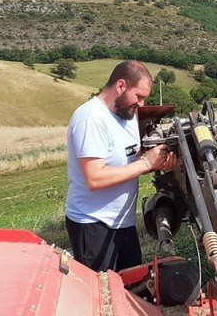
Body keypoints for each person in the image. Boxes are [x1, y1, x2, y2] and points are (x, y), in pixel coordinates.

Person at [64, 60, 176, 272]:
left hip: (123, 222)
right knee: (103, 295)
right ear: (121, 85)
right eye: (139, 96)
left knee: (130, 287)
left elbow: (129, 163)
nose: (142, 104)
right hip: (94, 224)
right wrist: (145, 163)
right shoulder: (90, 119)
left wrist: (157, 162)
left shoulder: (128, 116)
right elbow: (94, 178)